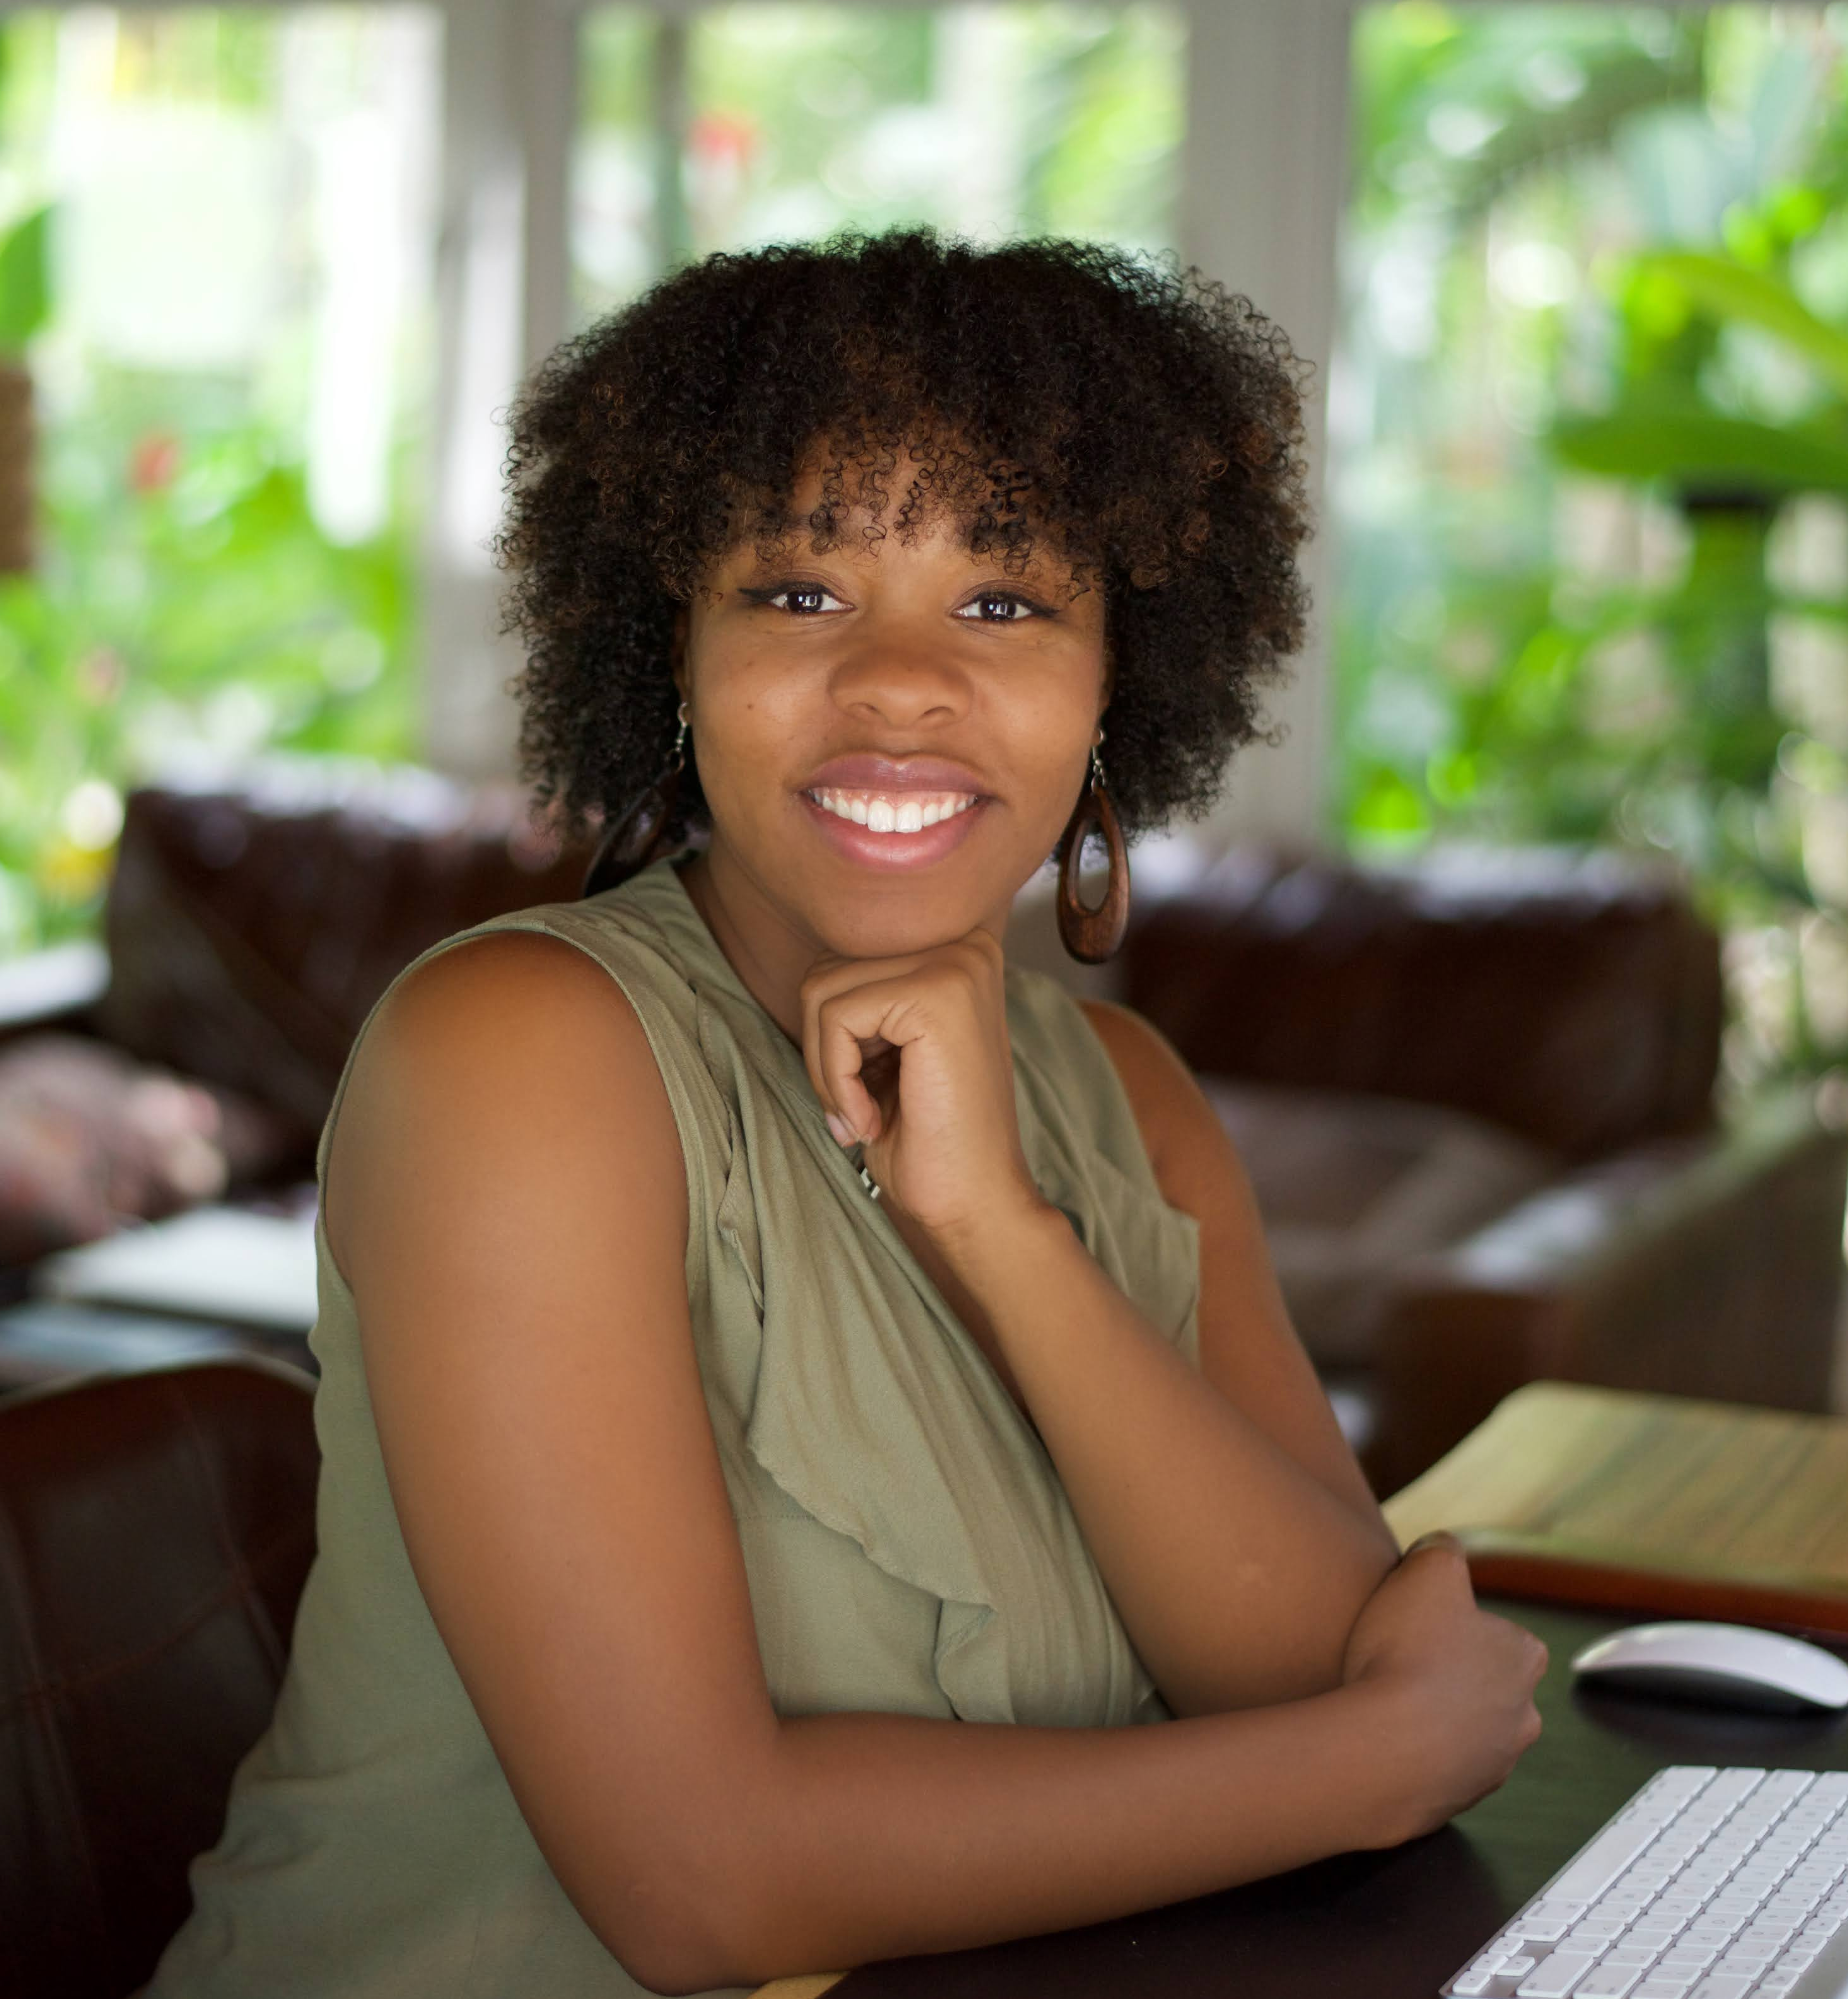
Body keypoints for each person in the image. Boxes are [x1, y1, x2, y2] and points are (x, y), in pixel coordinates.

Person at [148, 229, 1545, 1999]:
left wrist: (998, 1234)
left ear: (1122, 677)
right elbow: (703, 1887)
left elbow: (1311, 1652)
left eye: (1006, 598)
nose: (897, 680)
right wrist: (1366, 1772)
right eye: (799, 592)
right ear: (671, 644)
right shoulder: (514, 1057)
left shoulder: (1127, 1098)